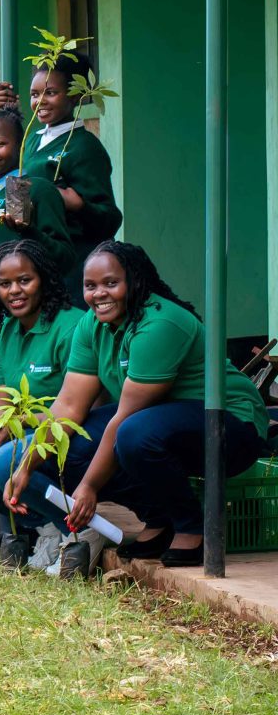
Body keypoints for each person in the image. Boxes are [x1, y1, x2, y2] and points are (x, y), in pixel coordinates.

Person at [56, 240, 269, 569]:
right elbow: (69, 406)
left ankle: (192, 526)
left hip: (229, 425)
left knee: (132, 434)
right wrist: (24, 459)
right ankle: (157, 518)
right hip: (160, 421)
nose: (99, 294)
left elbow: (125, 418)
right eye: (90, 286)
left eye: (111, 283)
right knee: (75, 445)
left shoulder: (160, 323)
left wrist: (88, 486)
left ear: (135, 280)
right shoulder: (92, 324)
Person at [0, 239, 90, 571]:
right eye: (5, 283)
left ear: (45, 279)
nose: (14, 291)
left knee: (5, 461)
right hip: (28, 436)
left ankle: (79, 529)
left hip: (72, 436)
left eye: (25, 280)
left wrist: (18, 420)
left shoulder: (72, 326)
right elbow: (2, 410)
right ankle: (46, 526)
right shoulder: (7, 330)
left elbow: (78, 410)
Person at [0, 108, 72, 303]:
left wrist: (30, 231)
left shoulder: (37, 188)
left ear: (20, 146)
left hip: (16, 307)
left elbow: (65, 258)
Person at [24, 53, 121, 260]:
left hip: (73, 259)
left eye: (50, 93)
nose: (40, 101)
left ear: (75, 95)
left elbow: (109, 219)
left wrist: (79, 205)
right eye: (34, 94)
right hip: (35, 254)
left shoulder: (84, 146)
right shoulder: (32, 140)